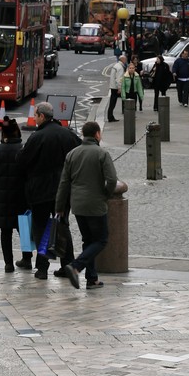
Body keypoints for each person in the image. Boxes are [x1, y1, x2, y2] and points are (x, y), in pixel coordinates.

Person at [16, 102, 79, 280]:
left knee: (41, 227)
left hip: (41, 190)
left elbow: (21, 160)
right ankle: (67, 265)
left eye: (35, 115)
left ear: (42, 116)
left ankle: (42, 268)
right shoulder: (69, 135)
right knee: (63, 226)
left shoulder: (37, 137)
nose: (34, 118)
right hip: (64, 190)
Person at [56, 121, 118, 291]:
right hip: (96, 204)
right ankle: (76, 266)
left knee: (88, 240)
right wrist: (106, 194)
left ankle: (92, 278)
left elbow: (64, 183)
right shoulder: (101, 154)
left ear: (84, 134)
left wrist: (60, 206)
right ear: (97, 134)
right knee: (101, 239)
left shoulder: (72, 154)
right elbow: (112, 179)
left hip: (77, 204)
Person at [0, 117, 26, 272]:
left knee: (6, 231)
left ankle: (8, 263)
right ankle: (26, 258)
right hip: (22, 196)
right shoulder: (23, 149)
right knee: (23, 228)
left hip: (2, 196)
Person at [106, 54, 127, 122]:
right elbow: (119, 79)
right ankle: (110, 117)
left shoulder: (116, 65)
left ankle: (110, 116)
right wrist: (119, 88)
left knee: (112, 102)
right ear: (122, 60)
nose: (126, 60)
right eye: (125, 59)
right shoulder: (120, 68)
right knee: (114, 102)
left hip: (113, 86)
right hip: (116, 87)